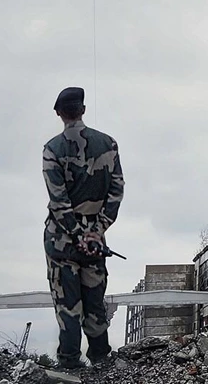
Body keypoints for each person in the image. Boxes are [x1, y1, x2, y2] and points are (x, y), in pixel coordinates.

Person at [42, 87, 124, 368]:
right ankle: (101, 361)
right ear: (83, 110)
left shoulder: (52, 149)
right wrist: (97, 230)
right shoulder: (109, 144)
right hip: (94, 241)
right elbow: (116, 190)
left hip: (62, 241)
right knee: (94, 302)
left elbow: (58, 199)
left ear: (59, 113)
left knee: (68, 305)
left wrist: (75, 234)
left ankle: (69, 364)